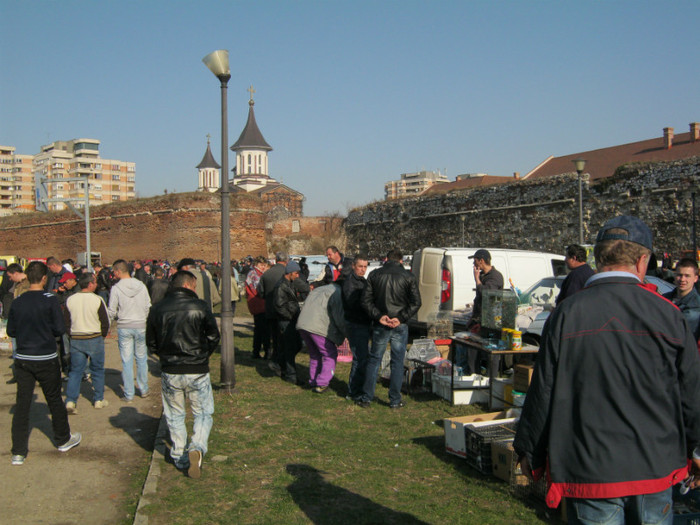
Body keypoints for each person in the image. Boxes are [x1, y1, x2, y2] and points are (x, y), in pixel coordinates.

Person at [513, 215, 700, 522]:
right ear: (642, 262)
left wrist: (530, 449)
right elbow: (691, 391)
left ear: (599, 259)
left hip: (591, 467)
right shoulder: (668, 314)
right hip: (653, 463)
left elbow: (543, 388)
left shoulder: (567, 313)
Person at [147, 270, 220, 479]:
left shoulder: (157, 309)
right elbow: (213, 336)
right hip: (197, 368)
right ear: (189, 285)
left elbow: (151, 342)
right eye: (195, 286)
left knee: (174, 414)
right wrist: (203, 355)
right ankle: (196, 446)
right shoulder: (200, 306)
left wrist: (164, 356)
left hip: (171, 369)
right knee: (203, 412)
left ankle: (179, 454)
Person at [7, 261, 81, 465]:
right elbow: (59, 329)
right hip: (45, 357)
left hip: (23, 359)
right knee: (55, 400)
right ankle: (63, 439)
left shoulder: (18, 301)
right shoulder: (50, 300)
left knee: (22, 404)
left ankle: (18, 451)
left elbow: (11, 331)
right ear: (44, 279)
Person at [357, 249, 421, 409]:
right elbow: (416, 302)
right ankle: (394, 399)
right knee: (397, 362)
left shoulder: (375, 275)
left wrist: (379, 316)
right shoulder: (408, 276)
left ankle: (366, 397)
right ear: (401, 261)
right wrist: (400, 318)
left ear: (386, 259)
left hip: (382, 323)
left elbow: (365, 301)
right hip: (399, 323)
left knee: (374, 360)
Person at [64, 272, 110, 412]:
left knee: (75, 371)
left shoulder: (70, 300)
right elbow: (105, 322)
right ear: (90, 284)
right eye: (95, 282)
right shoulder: (97, 300)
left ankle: (71, 401)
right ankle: (98, 399)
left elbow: (66, 321)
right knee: (97, 370)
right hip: (94, 337)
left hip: (77, 338)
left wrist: (71, 334)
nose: (96, 285)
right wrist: (101, 336)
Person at [108, 259, 152, 401]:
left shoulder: (116, 288)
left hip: (124, 325)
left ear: (118, 271)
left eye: (114, 271)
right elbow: (147, 305)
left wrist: (107, 325)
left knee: (127, 361)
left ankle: (129, 393)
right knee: (141, 358)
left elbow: (112, 310)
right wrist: (143, 318)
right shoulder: (141, 285)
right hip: (140, 325)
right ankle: (144, 388)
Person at [297, 282, 347, 393]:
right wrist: (345, 332)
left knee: (315, 354)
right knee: (329, 354)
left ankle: (313, 380)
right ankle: (322, 383)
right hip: (317, 327)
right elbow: (338, 316)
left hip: (303, 324)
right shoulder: (336, 292)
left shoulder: (318, 290)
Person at [272, 261, 307, 384]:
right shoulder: (281, 286)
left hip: (291, 319)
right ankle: (291, 375)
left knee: (297, 345)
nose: (298, 276)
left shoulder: (289, 284)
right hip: (286, 321)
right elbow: (279, 306)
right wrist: (289, 317)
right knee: (291, 347)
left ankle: (278, 363)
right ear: (290, 273)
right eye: (296, 273)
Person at [342, 255, 372, 400]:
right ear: (354, 266)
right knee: (360, 357)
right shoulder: (351, 282)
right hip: (355, 323)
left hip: (362, 323)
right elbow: (352, 304)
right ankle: (353, 391)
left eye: (365, 266)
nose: (363, 269)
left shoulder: (362, 281)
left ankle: (358, 387)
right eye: (360, 266)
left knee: (363, 356)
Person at [258, 252, 289, 373]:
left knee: (274, 337)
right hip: (284, 310)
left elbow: (260, 292)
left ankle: (275, 357)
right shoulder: (287, 273)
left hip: (270, 309)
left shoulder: (266, 274)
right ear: (286, 260)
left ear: (275, 260)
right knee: (284, 337)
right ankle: (280, 361)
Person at [663, 257, 700, 342]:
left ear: (695, 278)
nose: (682, 279)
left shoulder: (696, 305)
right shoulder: (664, 298)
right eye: (679, 275)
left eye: (687, 276)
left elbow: (679, 332)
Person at [467, 249, 504, 329]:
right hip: (478, 318)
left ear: (481, 261)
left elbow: (486, 293)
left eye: (475, 261)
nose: (473, 263)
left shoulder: (495, 276)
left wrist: (477, 279)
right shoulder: (482, 275)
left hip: (489, 320)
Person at [245, 255, 269, 359]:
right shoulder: (254, 274)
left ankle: (256, 351)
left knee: (259, 330)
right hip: (259, 304)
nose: (263, 266)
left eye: (264, 265)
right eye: (261, 264)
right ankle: (264, 351)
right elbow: (259, 290)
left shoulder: (257, 273)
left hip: (258, 304)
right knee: (263, 330)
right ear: (256, 264)